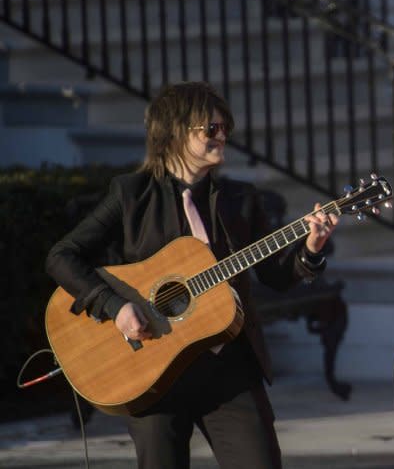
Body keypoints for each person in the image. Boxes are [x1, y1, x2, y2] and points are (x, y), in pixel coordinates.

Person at [46, 81, 338, 469]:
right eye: (211, 129)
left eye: (225, 128)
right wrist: (115, 306)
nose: (223, 136)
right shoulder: (132, 195)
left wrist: (311, 251)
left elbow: (276, 277)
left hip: (228, 369)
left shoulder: (240, 199)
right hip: (151, 374)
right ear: (175, 132)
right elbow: (62, 256)